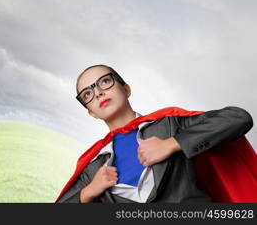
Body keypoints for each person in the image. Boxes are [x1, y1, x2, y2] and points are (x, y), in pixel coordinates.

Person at [56, 64, 255, 203]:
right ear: (91, 112)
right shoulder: (93, 166)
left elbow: (238, 118)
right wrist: (89, 191)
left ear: (126, 89)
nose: (98, 92)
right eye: (88, 94)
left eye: (105, 82)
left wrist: (172, 143)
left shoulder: (170, 123)